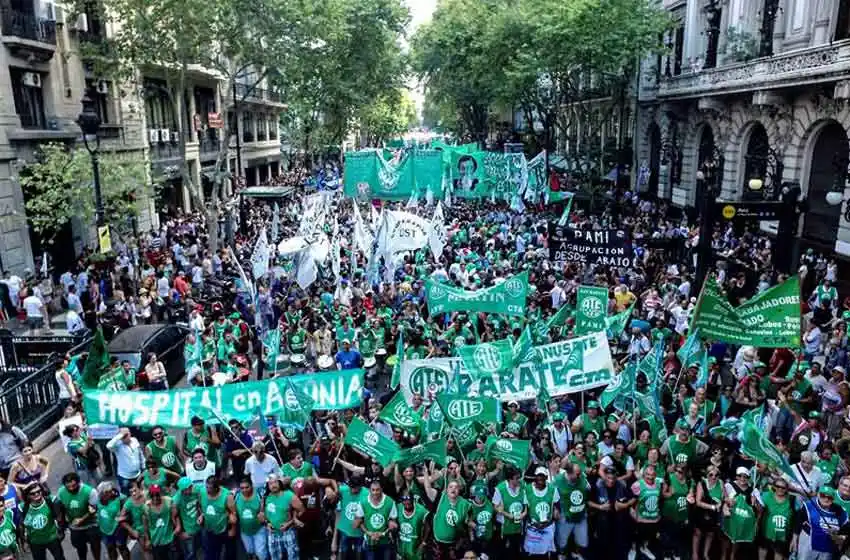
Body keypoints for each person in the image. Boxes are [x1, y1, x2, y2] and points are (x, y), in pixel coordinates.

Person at [56, 472, 100, 560]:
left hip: (91, 524)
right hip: (75, 526)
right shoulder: (61, 492)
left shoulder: (90, 492)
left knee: (95, 546)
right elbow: (60, 507)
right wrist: (61, 524)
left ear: (79, 482)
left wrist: (82, 519)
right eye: (68, 487)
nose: (71, 489)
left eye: (74, 486)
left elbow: (94, 509)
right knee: (80, 548)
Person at [263, 473, 304, 560]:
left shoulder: (289, 495)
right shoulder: (266, 497)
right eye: (270, 483)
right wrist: (267, 524)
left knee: (293, 557)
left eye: (275, 482)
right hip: (273, 533)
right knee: (275, 557)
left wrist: (290, 523)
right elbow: (263, 514)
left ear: (280, 483)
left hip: (288, 532)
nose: (273, 485)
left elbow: (302, 510)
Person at [20, 483, 64, 560]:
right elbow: (21, 525)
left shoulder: (50, 501)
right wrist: (24, 541)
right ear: (28, 495)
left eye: (39, 491)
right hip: (35, 542)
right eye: (32, 493)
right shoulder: (23, 507)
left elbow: (60, 517)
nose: (37, 494)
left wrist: (61, 531)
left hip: (52, 539)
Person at [198, 475, 236, 560]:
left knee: (229, 554)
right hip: (210, 530)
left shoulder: (227, 496)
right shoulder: (202, 492)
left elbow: (233, 513)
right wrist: (202, 515)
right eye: (206, 487)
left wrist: (233, 529)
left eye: (209, 488)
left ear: (217, 488)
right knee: (211, 554)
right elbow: (200, 506)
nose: (207, 490)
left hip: (225, 530)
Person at [492, 467, 526, 556]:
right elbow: (495, 507)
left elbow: (526, 504)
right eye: (517, 478)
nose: (519, 480)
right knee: (505, 553)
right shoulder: (500, 489)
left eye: (519, 477)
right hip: (505, 528)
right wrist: (506, 514)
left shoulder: (523, 486)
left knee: (516, 552)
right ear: (510, 479)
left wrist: (524, 513)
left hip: (518, 526)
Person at [333, 474, 365, 560]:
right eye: (351, 487)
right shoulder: (343, 490)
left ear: (360, 486)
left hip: (360, 530)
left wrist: (361, 519)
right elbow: (331, 486)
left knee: (359, 551)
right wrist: (331, 491)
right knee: (343, 550)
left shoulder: (367, 493)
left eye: (355, 488)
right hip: (345, 528)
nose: (352, 490)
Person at [95, 481, 129, 560]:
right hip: (105, 529)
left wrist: (124, 518)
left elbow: (129, 512)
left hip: (118, 528)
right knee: (110, 548)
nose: (110, 493)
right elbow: (94, 512)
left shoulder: (120, 498)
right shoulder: (97, 501)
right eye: (106, 492)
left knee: (121, 546)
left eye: (110, 491)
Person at [105, 428, 144, 496]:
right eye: (122, 436)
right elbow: (108, 446)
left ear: (130, 434)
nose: (124, 437)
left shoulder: (134, 440)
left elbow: (140, 454)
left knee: (139, 493)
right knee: (126, 495)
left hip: (137, 475)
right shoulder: (117, 446)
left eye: (126, 435)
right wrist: (119, 436)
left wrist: (143, 466)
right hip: (125, 477)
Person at [235, 476, 267, 560]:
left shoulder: (259, 494)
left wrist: (263, 514)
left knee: (261, 552)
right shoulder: (236, 496)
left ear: (252, 486)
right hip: (244, 530)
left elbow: (266, 508)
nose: (244, 490)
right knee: (250, 551)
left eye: (247, 487)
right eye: (242, 488)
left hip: (259, 529)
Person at [144, 484, 178, 560]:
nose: (155, 497)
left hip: (169, 538)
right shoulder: (147, 507)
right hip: (156, 540)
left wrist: (178, 527)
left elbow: (176, 515)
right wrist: (147, 539)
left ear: (161, 494)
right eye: (152, 495)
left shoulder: (168, 501)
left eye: (157, 495)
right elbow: (145, 525)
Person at [172, 477, 202, 560]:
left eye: (189, 488)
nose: (188, 491)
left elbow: (201, 504)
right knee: (190, 554)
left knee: (200, 550)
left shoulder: (197, 490)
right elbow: (173, 517)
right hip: (188, 531)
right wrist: (180, 533)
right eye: (185, 489)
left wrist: (201, 514)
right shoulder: (176, 500)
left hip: (199, 527)